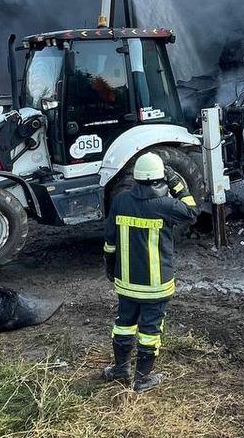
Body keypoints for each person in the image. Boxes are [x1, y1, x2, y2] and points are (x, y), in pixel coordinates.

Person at [101, 152, 197, 392]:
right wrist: (175, 181)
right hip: (156, 285)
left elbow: (109, 241)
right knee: (150, 331)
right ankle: (143, 379)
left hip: (126, 282)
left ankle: (120, 369)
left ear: (136, 178)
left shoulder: (121, 201)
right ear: (158, 179)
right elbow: (192, 211)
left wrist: (110, 267)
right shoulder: (166, 205)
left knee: (124, 323)